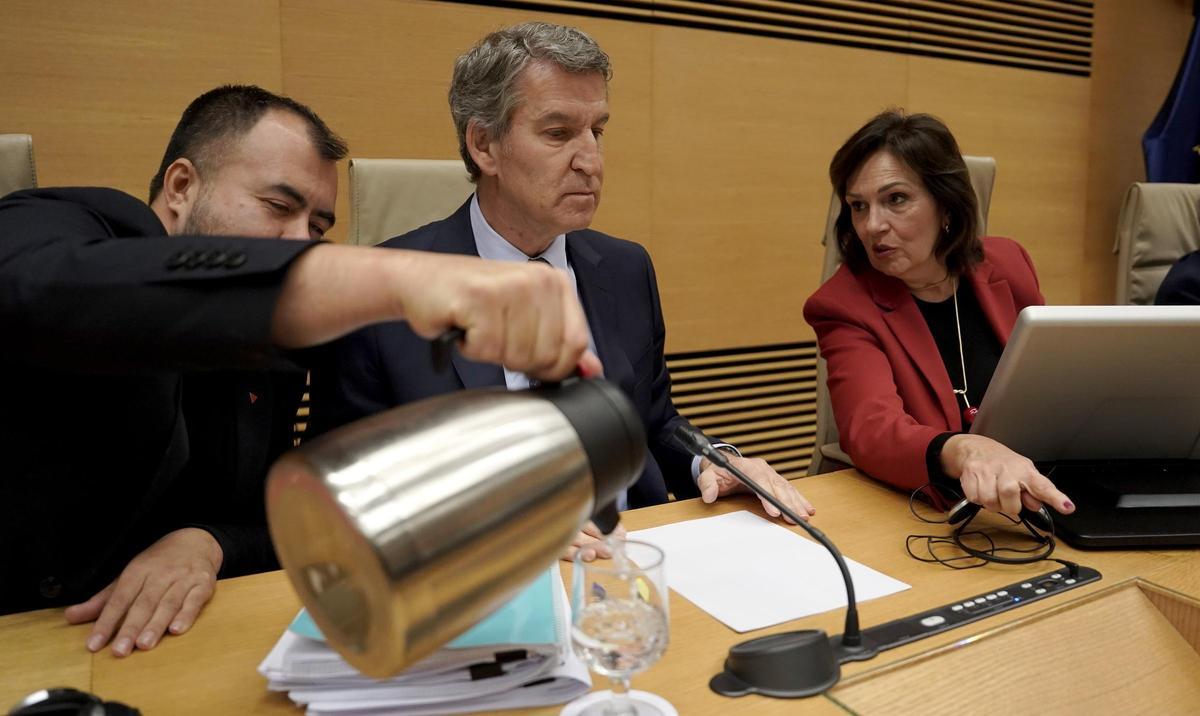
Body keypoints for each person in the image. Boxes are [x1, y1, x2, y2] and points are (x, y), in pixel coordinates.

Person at [0, 85, 598, 657]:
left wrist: (208, 542)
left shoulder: (280, 349)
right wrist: (400, 278)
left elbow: (296, 514)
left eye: (317, 228)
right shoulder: (67, 223)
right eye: (277, 207)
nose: (299, 244)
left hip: (191, 641)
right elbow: (39, 292)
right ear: (182, 185)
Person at [310, 22, 813, 559]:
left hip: (632, 563)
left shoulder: (624, 268)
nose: (591, 161)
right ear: (484, 144)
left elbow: (655, 422)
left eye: (597, 131)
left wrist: (712, 461)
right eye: (558, 134)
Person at [803, 110, 1074, 519]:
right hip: (924, 511)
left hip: (1026, 495)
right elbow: (871, 429)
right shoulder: (844, 304)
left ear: (946, 205)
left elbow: (1049, 386)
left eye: (896, 199)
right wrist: (965, 450)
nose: (872, 225)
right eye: (859, 206)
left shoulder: (1008, 263)